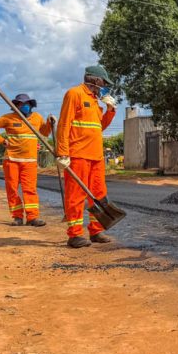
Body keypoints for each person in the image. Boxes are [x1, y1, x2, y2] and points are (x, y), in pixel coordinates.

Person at [56, 65, 117, 248]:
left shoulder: (96, 102)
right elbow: (64, 125)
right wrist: (63, 153)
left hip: (96, 157)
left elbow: (99, 128)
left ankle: (96, 230)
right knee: (76, 195)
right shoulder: (74, 94)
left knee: (98, 195)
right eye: (104, 82)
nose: (105, 86)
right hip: (78, 155)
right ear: (95, 80)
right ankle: (74, 234)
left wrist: (110, 109)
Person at [0, 94, 54, 226]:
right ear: (16, 105)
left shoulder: (37, 118)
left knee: (30, 189)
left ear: (31, 105)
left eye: (26, 104)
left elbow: (44, 132)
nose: (24, 106)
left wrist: (50, 123)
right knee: (12, 189)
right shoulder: (8, 118)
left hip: (30, 161)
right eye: (21, 104)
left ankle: (33, 217)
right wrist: (0, 140)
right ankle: (17, 217)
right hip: (11, 159)